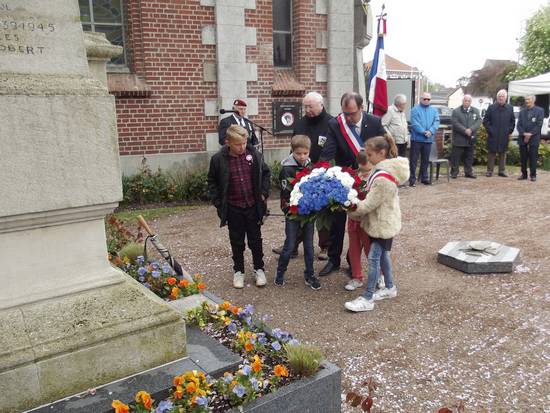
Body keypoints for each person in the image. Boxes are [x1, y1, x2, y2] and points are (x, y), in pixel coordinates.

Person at [318, 92, 385, 277]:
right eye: (345, 113)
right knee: (337, 221)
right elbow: (328, 152)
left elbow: (383, 151)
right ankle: (333, 259)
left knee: (362, 223)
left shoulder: (374, 122)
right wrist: (318, 171)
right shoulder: (335, 124)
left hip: (367, 179)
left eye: (352, 113)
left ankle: (352, 261)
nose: (347, 118)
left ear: (361, 108)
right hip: (345, 178)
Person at [344, 136, 409, 312]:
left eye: (370, 154)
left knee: (374, 258)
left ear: (381, 153)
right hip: (383, 221)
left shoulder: (382, 179)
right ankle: (390, 287)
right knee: (382, 256)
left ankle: (367, 298)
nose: (368, 157)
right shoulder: (382, 171)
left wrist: (347, 205)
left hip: (382, 224)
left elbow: (367, 205)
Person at [207, 125, 270, 289]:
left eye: (244, 143)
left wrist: (263, 194)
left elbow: (266, 173)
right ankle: (239, 271)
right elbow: (212, 182)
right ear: (227, 142)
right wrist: (218, 203)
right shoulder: (218, 160)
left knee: (256, 240)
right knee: (237, 241)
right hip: (233, 207)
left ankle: (259, 269)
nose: (242, 147)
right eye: (237, 144)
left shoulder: (254, 155)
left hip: (252, 206)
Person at [272, 91, 333, 260]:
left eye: (310, 107)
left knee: (323, 210)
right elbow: (293, 147)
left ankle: (325, 247)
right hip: (300, 173)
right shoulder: (300, 123)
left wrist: (322, 169)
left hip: (323, 173)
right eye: (305, 107)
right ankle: (291, 245)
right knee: (298, 209)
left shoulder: (331, 123)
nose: (307, 110)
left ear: (321, 105)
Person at [275, 135, 321, 290]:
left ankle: (310, 275)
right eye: (298, 153)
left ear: (309, 151)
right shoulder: (286, 168)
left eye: (305, 153)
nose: (302, 157)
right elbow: (285, 193)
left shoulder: (311, 167)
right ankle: (280, 273)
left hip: (309, 213)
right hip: (293, 213)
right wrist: (292, 206)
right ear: (292, 151)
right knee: (289, 245)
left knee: (309, 246)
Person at [482, 89, 515, 177]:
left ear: (505, 98)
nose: (501, 98)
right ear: (497, 97)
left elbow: (512, 122)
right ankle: (489, 171)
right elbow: (485, 121)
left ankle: (502, 171)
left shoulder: (510, 108)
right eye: (499, 96)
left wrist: (509, 131)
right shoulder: (491, 107)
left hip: (504, 134)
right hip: (493, 134)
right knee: (491, 153)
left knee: (503, 153)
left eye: (503, 96)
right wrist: (490, 130)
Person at [409, 92, 439, 186]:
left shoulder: (434, 110)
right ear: (421, 99)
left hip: (428, 140)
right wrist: (424, 132)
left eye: (428, 99)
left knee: (425, 160)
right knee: (413, 160)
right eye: (425, 99)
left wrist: (431, 131)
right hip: (416, 139)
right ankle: (412, 179)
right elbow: (414, 123)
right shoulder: (415, 110)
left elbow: (436, 122)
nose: (426, 101)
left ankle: (424, 178)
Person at [450, 94, 482, 178]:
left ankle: (468, 172)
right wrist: (465, 130)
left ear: (471, 102)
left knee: (469, 157)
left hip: (470, 138)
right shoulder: (456, 111)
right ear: (462, 101)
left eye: (469, 101)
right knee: (456, 157)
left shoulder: (475, 111)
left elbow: (479, 121)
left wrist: (471, 129)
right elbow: (455, 123)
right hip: (459, 138)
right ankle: (454, 172)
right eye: (465, 100)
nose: (467, 102)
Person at [517, 95, 544, 182]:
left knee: (533, 157)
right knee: (523, 157)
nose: (526, 101)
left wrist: (530, 134)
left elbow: (539, 124)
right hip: (522, 137)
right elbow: (519, 125)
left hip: (534, 137)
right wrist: (524, 133)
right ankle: (524, 174)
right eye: (526, 99)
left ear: (533, 100)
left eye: (528, 99)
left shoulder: (540, 111)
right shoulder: (522, 111)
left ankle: (533, 175)